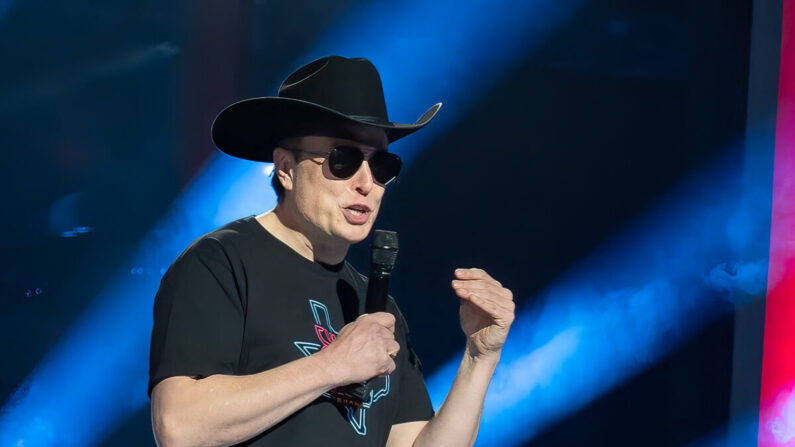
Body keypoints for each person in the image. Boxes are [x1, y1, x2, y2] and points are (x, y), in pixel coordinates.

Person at [148, 55, 515, 447]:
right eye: (343, 160)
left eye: (382, 166)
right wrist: (333, 366)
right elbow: (179, 426)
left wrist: (479, 358)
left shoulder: (379, 308)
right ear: (286, 168)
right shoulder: (221, 263)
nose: (366, 183)